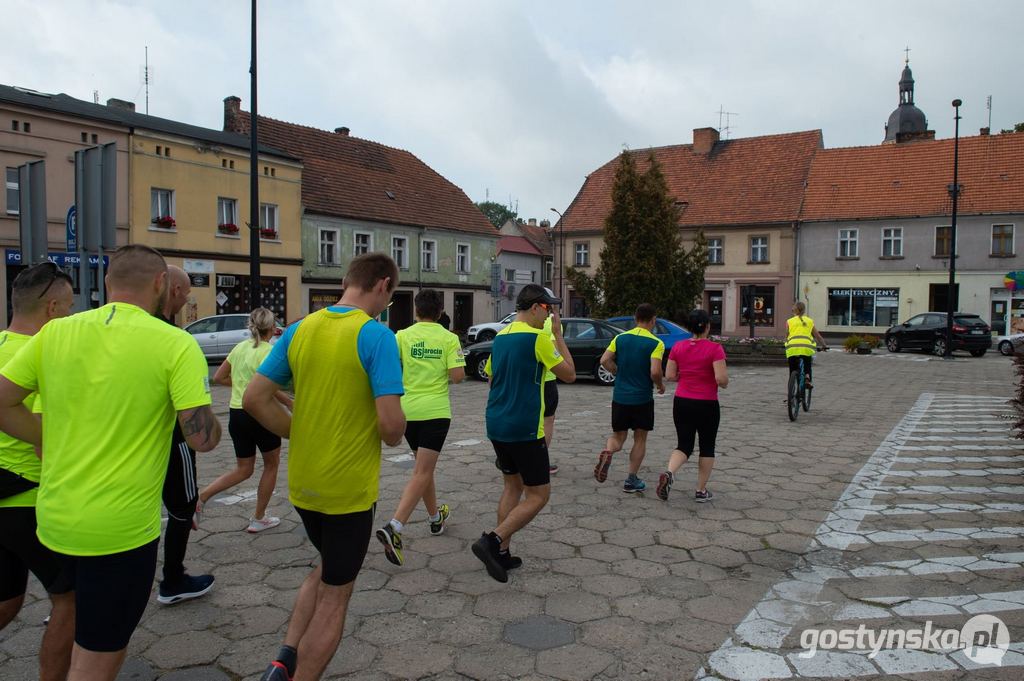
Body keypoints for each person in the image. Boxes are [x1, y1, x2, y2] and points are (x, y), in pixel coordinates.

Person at [0, 244, 220, 681]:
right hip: (120, 532)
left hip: (55, 519)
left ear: (106, 283)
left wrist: (51, 435)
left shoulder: (55, 333)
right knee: (98, 655)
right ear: (161, 284)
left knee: (73, 615)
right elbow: (201, 438)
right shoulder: (176, 344)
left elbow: (3, 402)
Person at [244, 253, 405, 681]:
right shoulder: (376, 337)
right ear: (383, 285)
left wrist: (300, 430)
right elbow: (391, 429)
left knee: (326, 566)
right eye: (391, 294)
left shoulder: (299, 328)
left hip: (304, 487)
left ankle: (284, 658)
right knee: (337, 594)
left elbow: (254, 397)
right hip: (347, 491)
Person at [0, 262, 75, 681]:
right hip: (28, 499)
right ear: (51, 309)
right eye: (67, 307)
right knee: (71, 601)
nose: (68, 316)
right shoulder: (45, 358)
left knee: (7, 603)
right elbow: (44, 443)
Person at [473, 284, 575, 583]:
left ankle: (501, 553)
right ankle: (492, 539)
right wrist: (557, 335)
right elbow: (568, 373)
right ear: (535, 307)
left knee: (512, 487)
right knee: (539, 494)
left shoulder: (501, 337)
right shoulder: (537, 338)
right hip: (524, 427)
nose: (551, 315)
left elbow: (491, 377)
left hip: (497, 423)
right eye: (549, 309)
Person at [376, 289, 465, 566]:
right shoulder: (449, 338)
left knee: (423, 470)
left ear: (416, 310)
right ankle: (395, 526)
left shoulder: (401, 336)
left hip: (408, 412)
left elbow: (391, 365)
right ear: (440, 312)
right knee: (422, 471)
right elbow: (458, 377)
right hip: (435, 412)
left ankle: (435, 518)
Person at [197, 308, 292, 533]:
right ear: (272, 328)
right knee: (271, 463)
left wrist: (242, 387)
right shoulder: (270, 351)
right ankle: (259, 517)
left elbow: (219, 377)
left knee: (243, 468)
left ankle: (202, 497)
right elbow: (270, 387)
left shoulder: (239, 348)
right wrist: (289, 403)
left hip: (236, 413)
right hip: (261, 413)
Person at [156, 264, 215, 604]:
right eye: (187, 293)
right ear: (174, 291)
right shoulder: (177, 341)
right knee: (182, 507)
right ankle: (172, 579)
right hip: (173, 442)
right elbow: (200, 433)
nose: (187, 299)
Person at [656, 309, 727, 503]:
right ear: (707, 326)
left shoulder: (678, 347)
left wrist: (685, 376)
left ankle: (670, 472)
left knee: (684, 444)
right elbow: (721, 378)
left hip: (682, 402)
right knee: (707, 446)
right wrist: (723, 382)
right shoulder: (715, 348)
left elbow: (669, 375)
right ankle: (701, 490)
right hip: (707, 403)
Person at [594, 303, 665, 493]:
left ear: (635, 319)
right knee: (640, 439)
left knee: (618, 437)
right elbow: (655, 370)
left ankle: (608, 452)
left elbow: (603, 360)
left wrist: (616, 370)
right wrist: (659, 384)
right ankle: (631, 479)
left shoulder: (620, 338)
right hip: (642, 398)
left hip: (620, 397)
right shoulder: (656, 343)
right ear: (653, 320)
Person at [785, 301, 828, 389]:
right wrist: (824, 345)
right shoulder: (809, 321)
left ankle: (791, 392)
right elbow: (818, 336)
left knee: (792, 369)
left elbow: (787, 336)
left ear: (794, 310)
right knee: (807, 362)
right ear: (804, 310)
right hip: (806, 347)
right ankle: (807, 377)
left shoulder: (789, 321)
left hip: (792, 348)